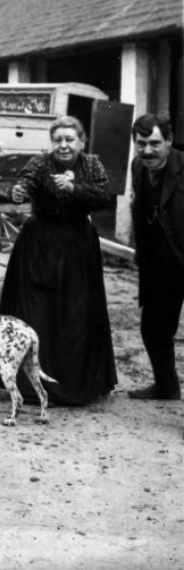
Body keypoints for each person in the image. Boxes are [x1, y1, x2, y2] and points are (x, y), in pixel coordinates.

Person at [0, 115, 117, 405]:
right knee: (35, 312)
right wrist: (17, 192)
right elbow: (24, 183)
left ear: (81, 141)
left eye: (69, 139)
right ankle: (30, 386)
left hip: (77, 246)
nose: (63, 145)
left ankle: (75, 386)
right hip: (39, 244)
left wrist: (75, 189)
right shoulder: (40, 163)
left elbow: (104, 196)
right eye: (58, 140)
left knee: (75, 314)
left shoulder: (91, 164)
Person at [127, 114, 183, 401]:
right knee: (154, 328)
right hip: (161, 265)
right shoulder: (138, 166)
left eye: (155, 143)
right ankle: (167, 387)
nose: (147, 150)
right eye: (141, 143)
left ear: (170, 141)